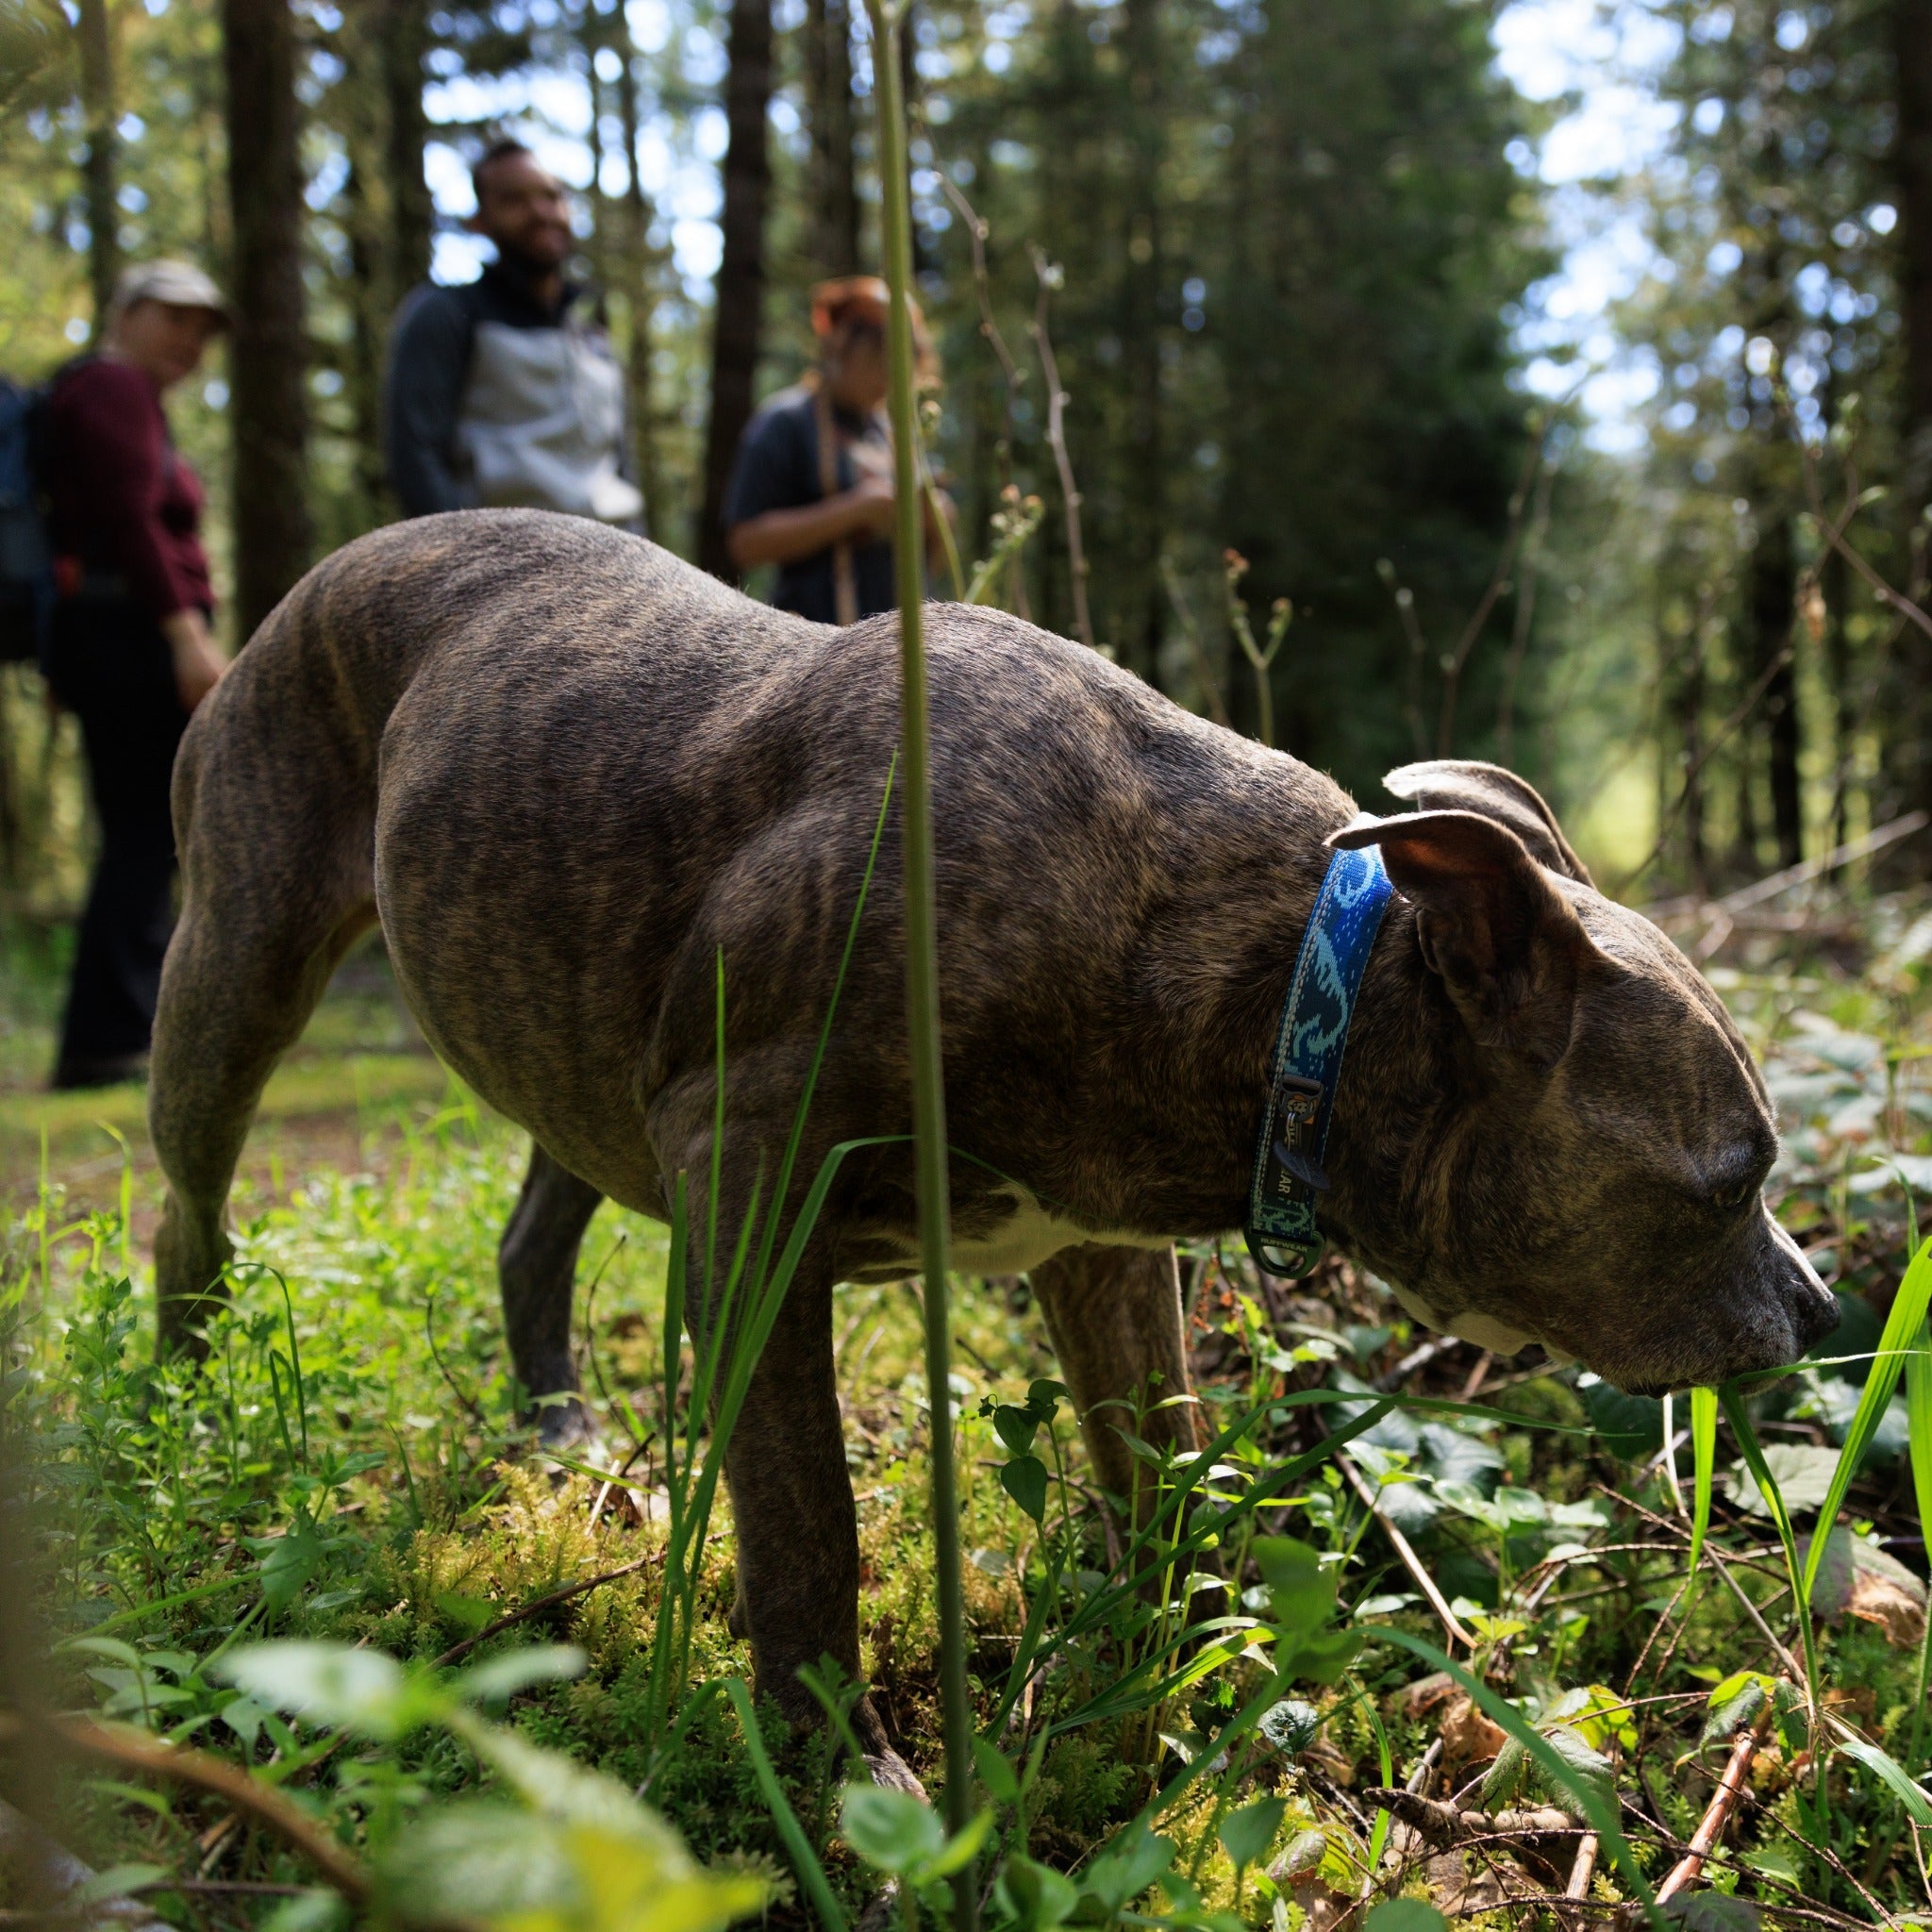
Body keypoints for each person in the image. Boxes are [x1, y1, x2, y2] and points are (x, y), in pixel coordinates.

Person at [40, 258, 230, 1090]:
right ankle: (115, 1035)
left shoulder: (110, 395)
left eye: (203, 328)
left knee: (143, 833)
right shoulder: (112, 387)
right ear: (126, 313)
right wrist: (186, 636)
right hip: (132, 634)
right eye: (174, 317)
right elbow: (129, 521)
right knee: (149, 833)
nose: (191, 339)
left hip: (110, 633)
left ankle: (114, 1030)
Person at [384, 139, 641, 525]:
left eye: (551, 196)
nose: (540, 212)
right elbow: (414, 455)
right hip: (502, 548)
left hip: (616, 549)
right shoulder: (448, 315)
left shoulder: (595, 342)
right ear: (479, 222)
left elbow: (622, 471)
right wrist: (463, 553)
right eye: (514, 200)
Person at [724, 276, 946, 625]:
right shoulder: (787, 422)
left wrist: (935, 520)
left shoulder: (890, 433)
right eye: (880, 360)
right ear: (841, 348)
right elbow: (745, 543)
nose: (890, 378)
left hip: (889, 641)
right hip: (811, 639)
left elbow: (932, 561)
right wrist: (854, 510)